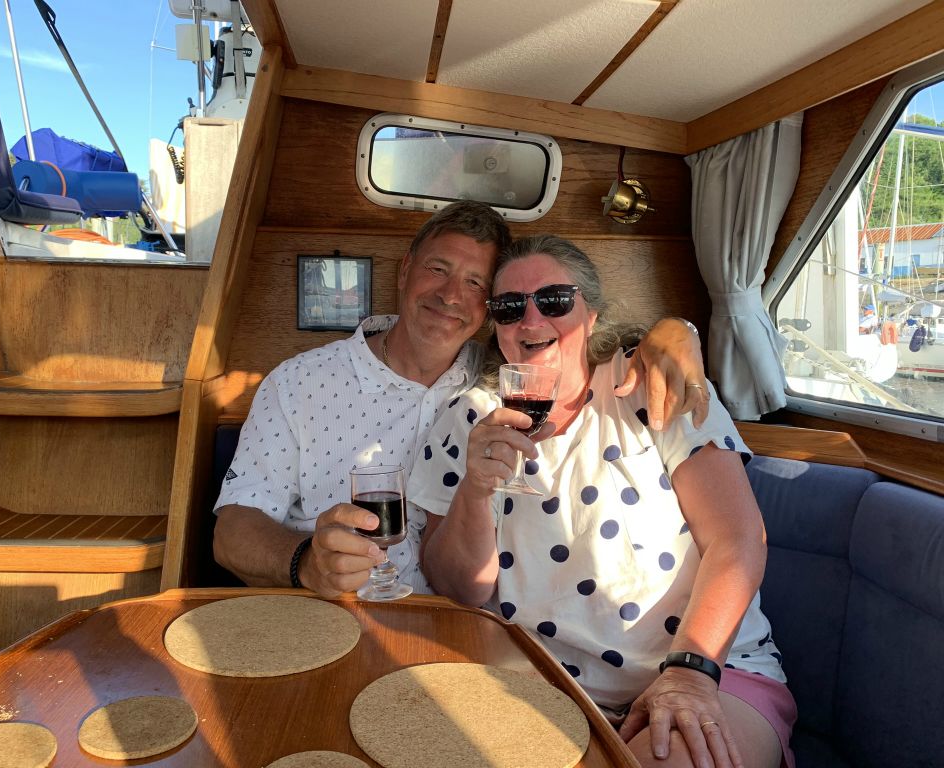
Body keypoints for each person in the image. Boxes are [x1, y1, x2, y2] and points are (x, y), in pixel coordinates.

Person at [409, 234, 796, 768]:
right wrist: (475, 491)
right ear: (496, 326)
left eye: (554, 301)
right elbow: (460, 589)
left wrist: (689, 675)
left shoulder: (651, 384)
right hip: (539, 688)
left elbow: (738, 539)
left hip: (708, 672)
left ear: (590, 316)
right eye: (509, 307)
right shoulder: (469, 419)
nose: (531, 319)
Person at [214, 204, 709, 600]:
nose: (451, 295)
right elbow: (233, 530)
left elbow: (577, 343)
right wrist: (306, 563)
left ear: (490, 311)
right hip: (338, 610)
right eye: (438, 269)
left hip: (462, 627)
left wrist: (673, 331)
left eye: (476, 284)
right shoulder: (299, 383)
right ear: (405, 271)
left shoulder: (504, 376)